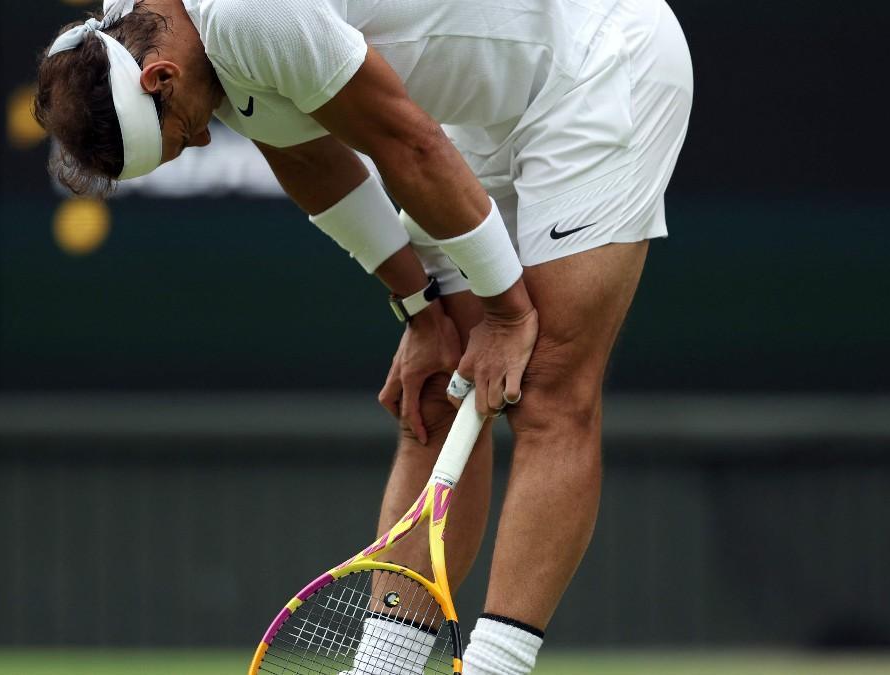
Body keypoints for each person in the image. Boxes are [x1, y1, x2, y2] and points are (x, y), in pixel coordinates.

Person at [35, 0, 692, 672]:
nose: (201, 140)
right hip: (485, 105)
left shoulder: (248, 16)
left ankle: (498, 665)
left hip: (599, 57)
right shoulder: (152, 30)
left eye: (181, 132)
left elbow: (408, 144)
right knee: (436, 388)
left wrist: (508, 314)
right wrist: (421, 309)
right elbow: (312, 166)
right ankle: (383, 667)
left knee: (549, 384)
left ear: (160, 77)